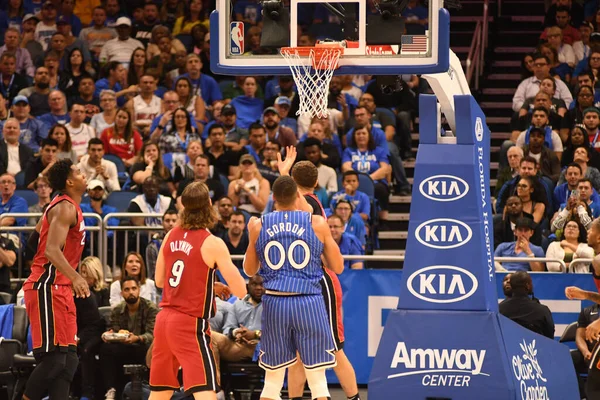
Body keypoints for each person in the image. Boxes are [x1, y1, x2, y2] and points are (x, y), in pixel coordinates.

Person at [243, 176, 344, 400]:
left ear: (273, 198)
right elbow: (337, 266)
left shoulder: (259, 224)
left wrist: (252, 240)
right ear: (297, 196)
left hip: (275, 303)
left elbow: (250, 271)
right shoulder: (316, 222)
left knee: (272, 382)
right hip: (308, 302)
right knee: (318, 382)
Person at [148, 181, 247, 400]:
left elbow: (161, 281)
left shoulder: (170, 235)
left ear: (183, 205)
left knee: (160, 391)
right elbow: (240, 289)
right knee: (205, 389)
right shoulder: (212, 242)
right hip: (189, 323)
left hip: (164, 320)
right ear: (209, 205)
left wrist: (208, 283)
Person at [21, 159, 90, 400]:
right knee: (55, 360)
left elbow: (32, 242)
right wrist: (75, 276)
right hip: (46, 287)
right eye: (79, 173)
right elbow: (50, 250)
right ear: (70, 182)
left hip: (60, 288)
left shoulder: (64, 205)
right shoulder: (64, 207)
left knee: (69, 360)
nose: (84, 175)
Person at [499, 271, 554, 338]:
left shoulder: (499, 309)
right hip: (536, 347)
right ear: (528, 286)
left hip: (508, 347)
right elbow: (550, 336)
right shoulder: (542, 310)